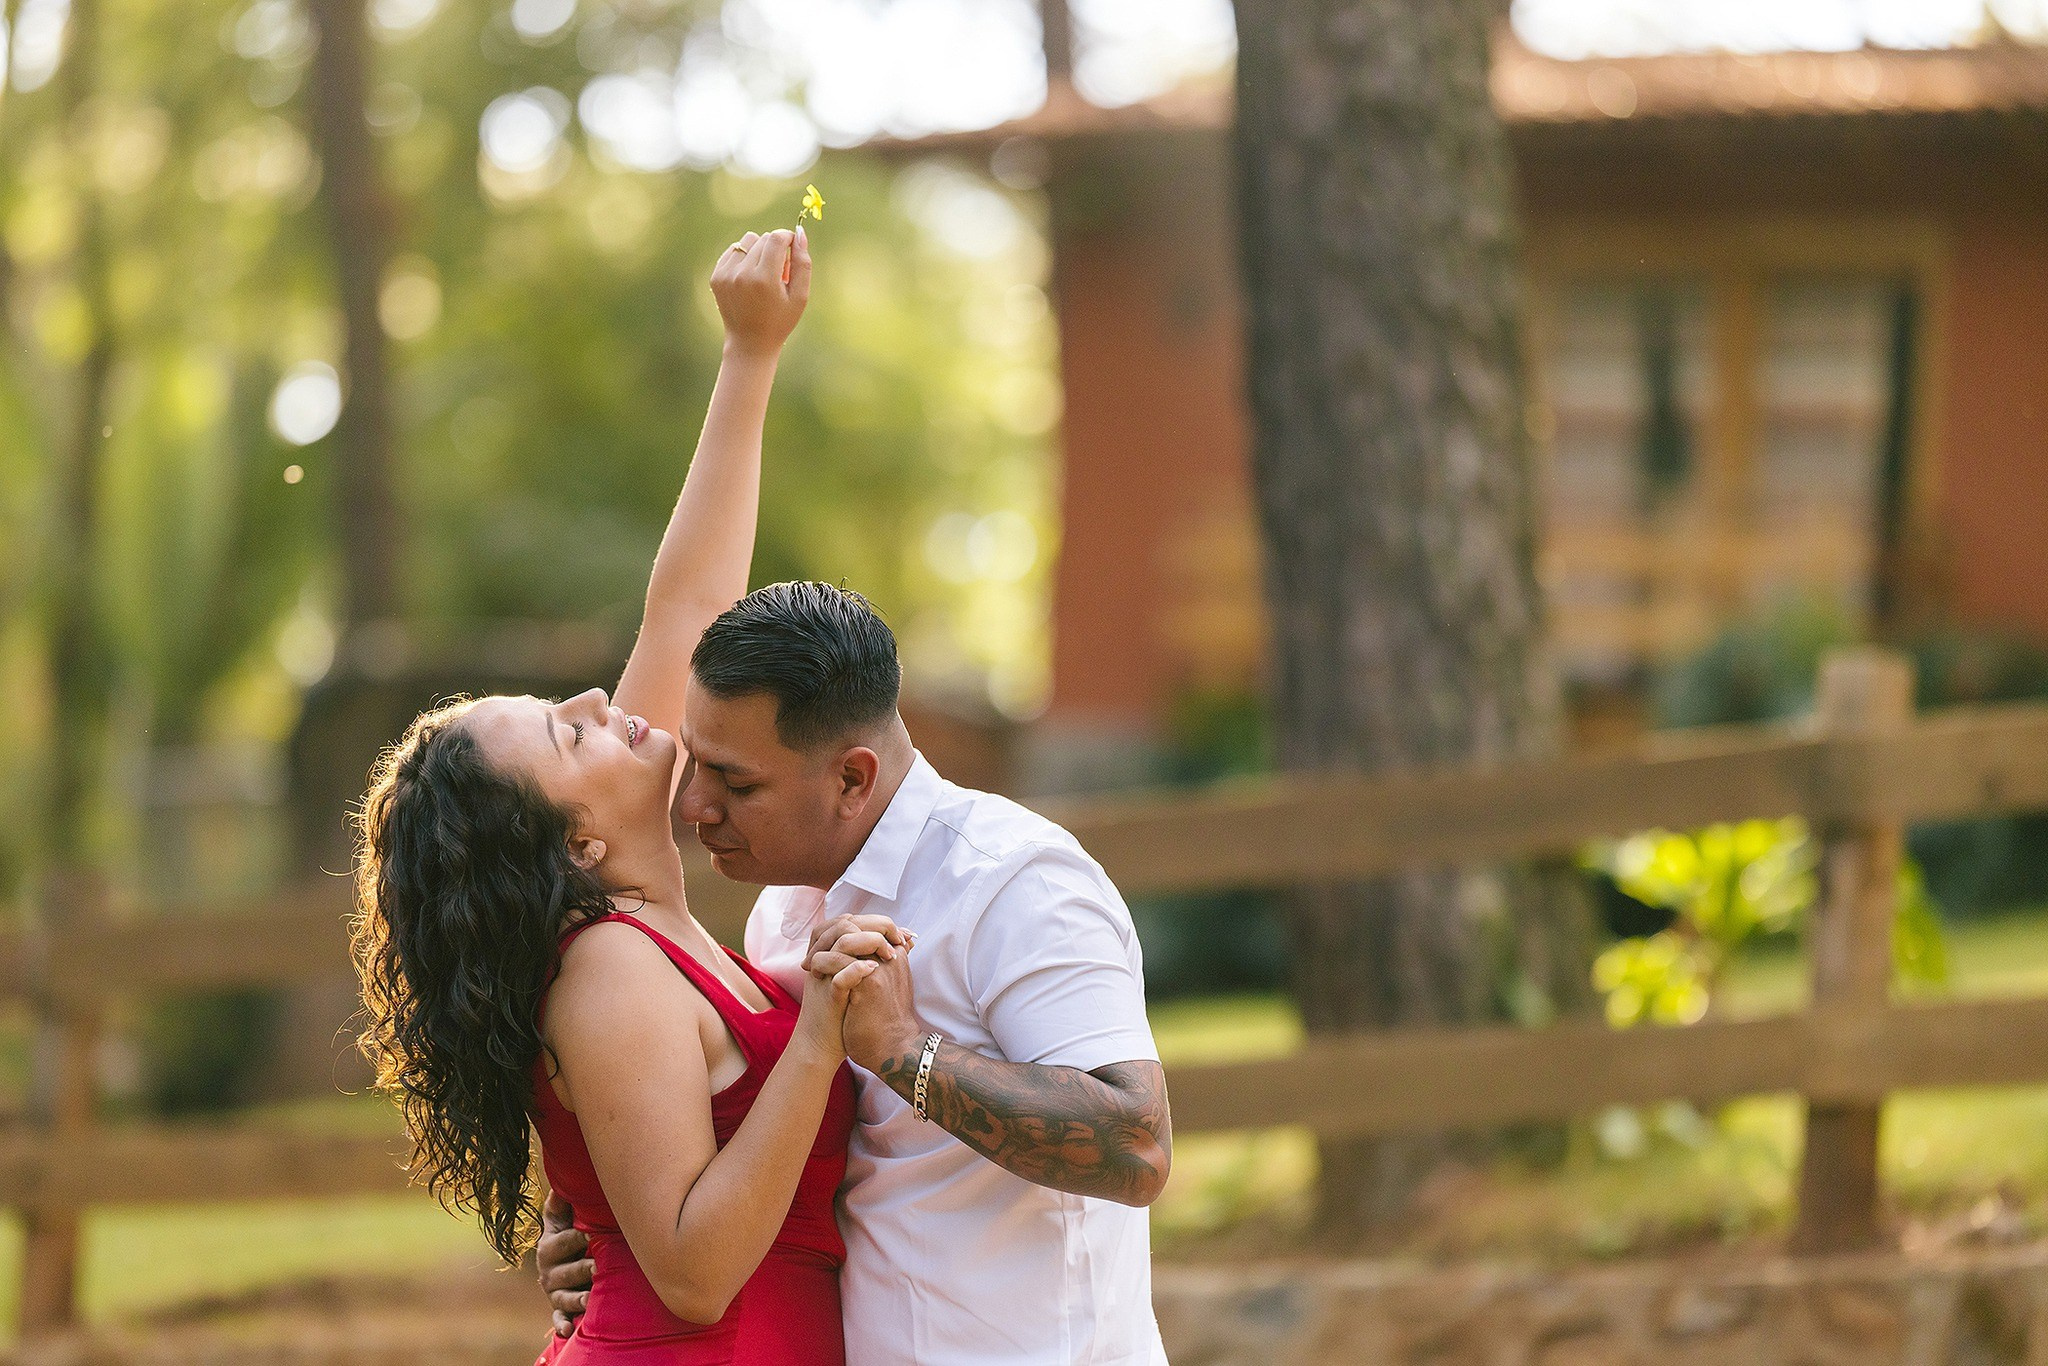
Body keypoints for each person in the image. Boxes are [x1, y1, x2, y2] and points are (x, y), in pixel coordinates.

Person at [352, 227, 907, 1364]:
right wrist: (817, 1034)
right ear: (576, 836)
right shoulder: (608, 967)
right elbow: (695, 1277)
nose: (604, 694)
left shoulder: (645, 927)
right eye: (567, 728)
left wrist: (750, 355)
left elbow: (688, 608)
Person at [540, 580, 1175, 1364]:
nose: (696, 804)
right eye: (696, 762)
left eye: (737, 784)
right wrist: (595, 1223)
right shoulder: (778, 910)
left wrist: (908, 1055)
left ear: (852, 778)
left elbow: (1135, 1147)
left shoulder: (1015, 882)